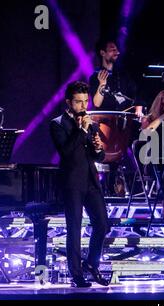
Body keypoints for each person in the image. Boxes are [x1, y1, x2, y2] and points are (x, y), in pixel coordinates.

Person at [50, 81, 110, 287]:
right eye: (78, 102)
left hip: (91, 180)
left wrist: (98, 148)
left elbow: (99, 157)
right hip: (71, 181)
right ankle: (76, 275)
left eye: (85, 101)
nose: (83, 105)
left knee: (102, 224)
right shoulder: (57, 124)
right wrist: (82, 131)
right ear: (68, 102)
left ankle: (92, 264)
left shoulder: (90, 123)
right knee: (74, 228)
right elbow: (66, 152)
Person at [89, 39, 143, 116]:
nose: (117, 53)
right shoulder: (95, 77)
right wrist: (102, 84)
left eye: (117, 50)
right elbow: (97, 104)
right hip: (104, 122)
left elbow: (136, 94)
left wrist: (138, 109)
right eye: (113, 50)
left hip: (124, 120)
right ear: (102, 53)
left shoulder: (124, 75)